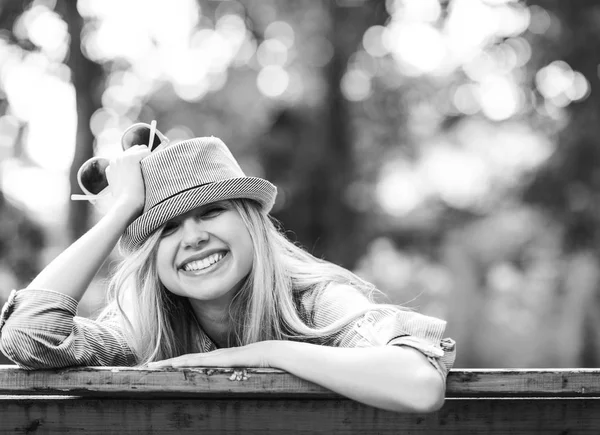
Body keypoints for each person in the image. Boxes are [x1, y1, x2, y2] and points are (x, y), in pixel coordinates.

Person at [0, 128, 455, 413]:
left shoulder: (314, 300)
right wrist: (123, 210)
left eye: (211, 212)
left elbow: (418, 386)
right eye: (168, 227)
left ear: (251, 221)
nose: (193, 237)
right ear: (149, 258)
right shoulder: (143, 328)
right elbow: (27, 333)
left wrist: (267, 353)